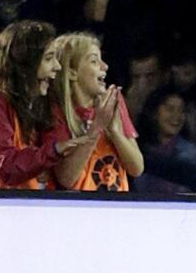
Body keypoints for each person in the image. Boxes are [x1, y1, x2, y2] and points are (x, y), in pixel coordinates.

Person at [0, 20, 83, 189]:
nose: (57, 66)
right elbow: (7, 167)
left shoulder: (29, 105)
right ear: (24, 64)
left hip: (9, 211)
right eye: (49, 58)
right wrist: (53, 151)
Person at [45, 33, 145, 192]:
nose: (105, 66)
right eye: (94, 61)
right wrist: (97, 126)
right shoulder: (56, 112)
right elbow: (66, 178)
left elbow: (137, 168)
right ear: (72, 72)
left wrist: (115, 132)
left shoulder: (113, 103)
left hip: (116, 210)